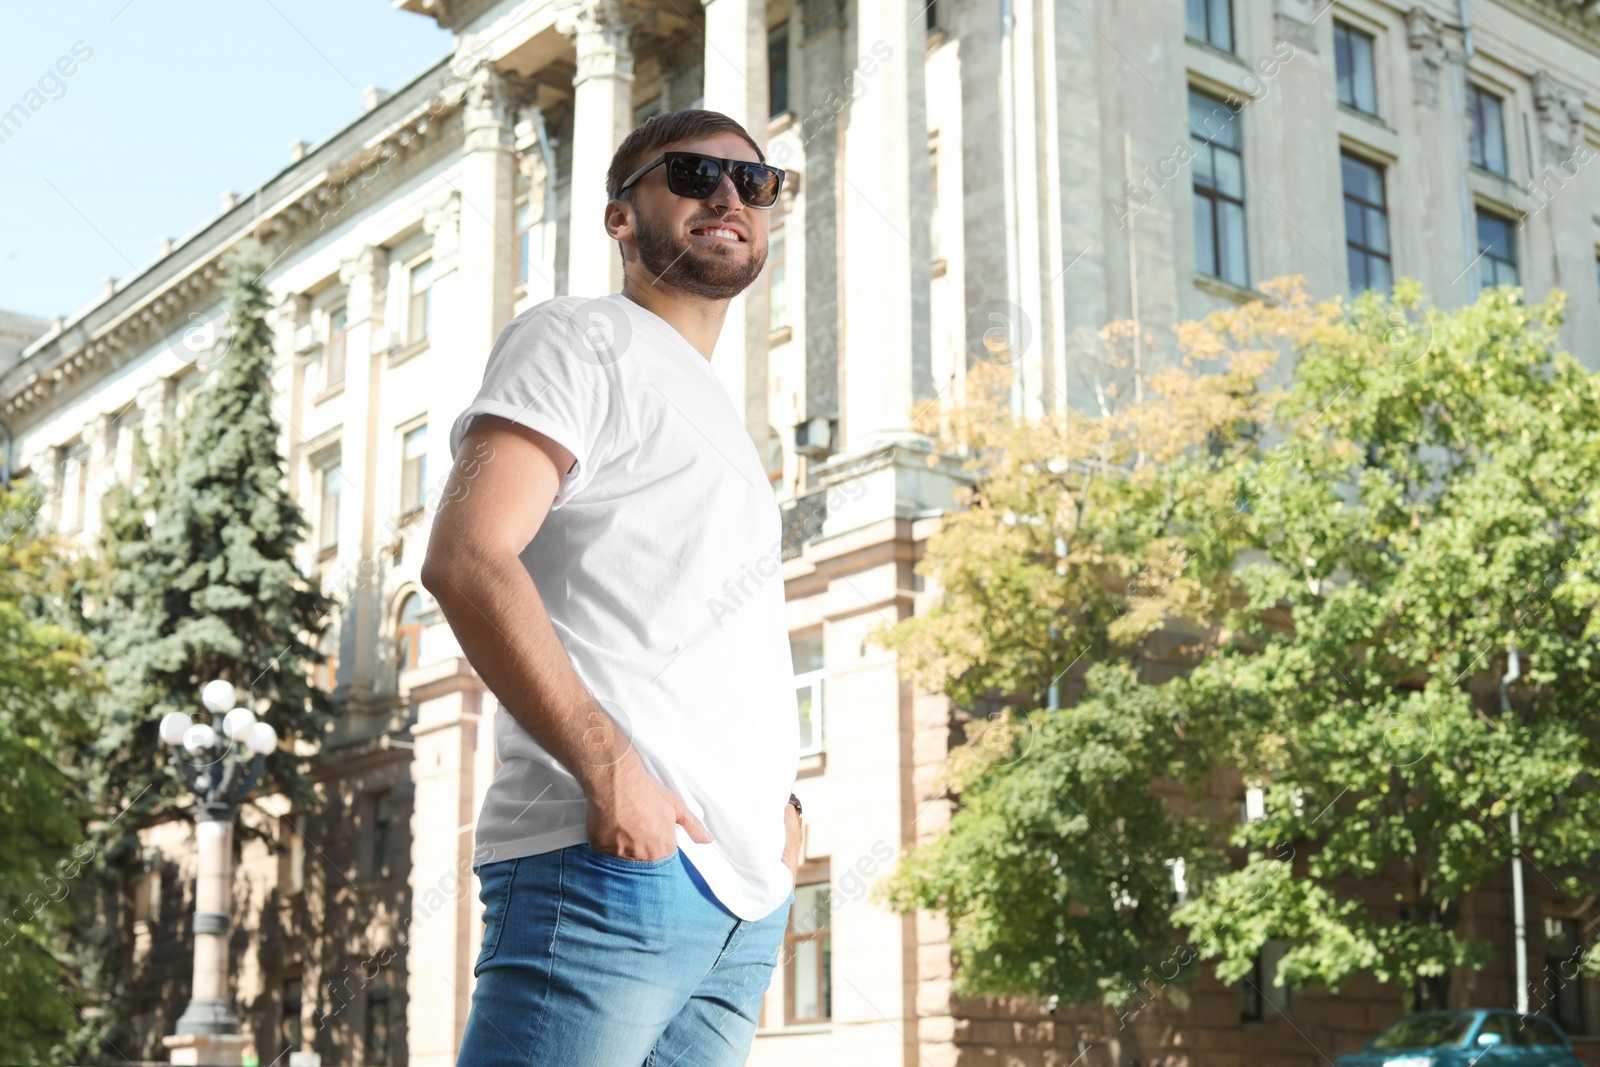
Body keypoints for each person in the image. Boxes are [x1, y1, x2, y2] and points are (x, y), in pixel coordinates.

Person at [423, 109, 803, 1067]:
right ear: (619, 219)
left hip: (741, 901)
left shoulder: (722, 408)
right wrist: (609, 767)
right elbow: (466, 556)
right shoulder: (577, 337)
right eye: (691, 174)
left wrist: (781, 813)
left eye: (754, 183)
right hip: (608, 867)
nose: (728, 196)